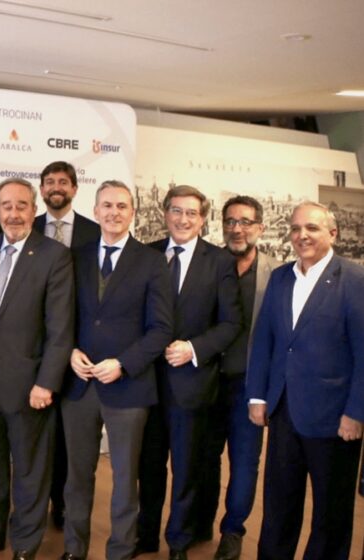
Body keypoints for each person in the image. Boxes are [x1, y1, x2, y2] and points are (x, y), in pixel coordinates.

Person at [0, 178, 73, 560]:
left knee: (30, 471)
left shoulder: (54, 255)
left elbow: (60, 329)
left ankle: (25, 543)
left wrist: (47, 382)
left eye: (21, 205)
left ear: (34, 209)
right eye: (6, 206)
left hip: (30, 386)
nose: (13, 213)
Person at [60, 180, 173, 560]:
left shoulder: (152, 262)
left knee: (125, 479)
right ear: (95, 211)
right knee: (77, 475)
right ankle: (74, 549)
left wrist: (123, 364)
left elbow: (161, 329)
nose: (114, 212)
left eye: (122, 206)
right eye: (107, 205)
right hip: (79, 384)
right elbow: (62, 316)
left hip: (129, 386)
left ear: (133, 213)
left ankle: (120, 551)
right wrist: (69, 351)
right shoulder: (75, 256)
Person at [246, 201, 364, 560]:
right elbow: (264, 340)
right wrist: (257, 396)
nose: (302, 235)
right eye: (296, 228)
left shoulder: (355, 280)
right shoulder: (281, 277)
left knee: (331, 513)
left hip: (335, 418)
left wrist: (356, 412)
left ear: (333, 233)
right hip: (283, 412)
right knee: (278, 506)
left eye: (312, 228)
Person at [136, 185, 242, 560]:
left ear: (203, 219)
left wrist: (193, 349)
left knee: (186, 468)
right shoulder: (145, 254)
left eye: (192, 213)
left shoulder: (220, 261)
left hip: (192, 383)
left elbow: (230, 323)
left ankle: (178, 541)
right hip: (145, 382)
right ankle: (145, 536)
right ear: (164, 213)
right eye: (177, 211)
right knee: (148, 466)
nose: (183, 219)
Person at [194, 196, 276, 560]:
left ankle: (233, 531)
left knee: (244, 462)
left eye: (245, 222)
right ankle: (200, 522)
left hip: (249, 386)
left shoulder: (277, 274)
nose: (236, 229)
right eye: (230, 221)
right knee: (203, 457)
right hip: (206, 379)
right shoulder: (207, 265)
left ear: (260, 227)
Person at [32, 161, 101, 530]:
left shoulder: (95, 231)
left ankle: (62, 505)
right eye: (49, 182)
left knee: (67, 438)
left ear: (74, 188)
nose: (56, 187)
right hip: (34, 347)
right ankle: (33, 505)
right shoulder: (28, 227)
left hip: (79, 349)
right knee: (37, 435)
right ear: (41, 189)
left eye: (63, 181)